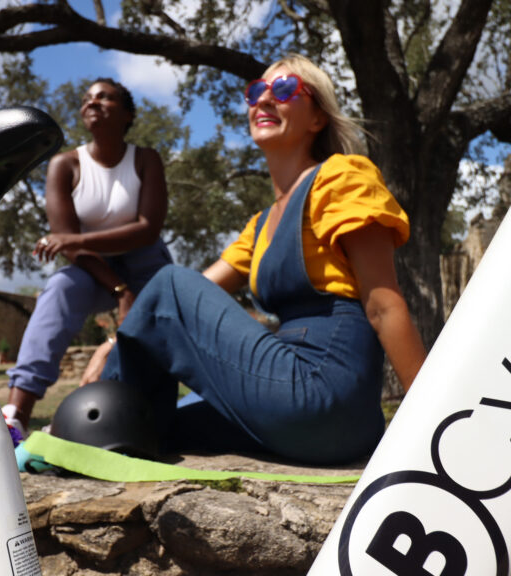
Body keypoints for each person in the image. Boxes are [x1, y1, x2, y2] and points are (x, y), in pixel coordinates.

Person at [80, 54, 427, 465]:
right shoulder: (261, 225)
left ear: (317, 119)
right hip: (288, 394)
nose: (263, 100)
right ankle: (114, 431)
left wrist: (432, 420)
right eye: (256, 92)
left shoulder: (341, 176)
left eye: (283, 90)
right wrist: (118, 339)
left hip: (325, 390)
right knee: (166, 426)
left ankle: (97, 424)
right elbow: (190, 303)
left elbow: (384, 305)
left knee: (167, 282)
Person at [2, 78, 172, 436]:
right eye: (87, 99)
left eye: (104, 97)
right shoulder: (65, 165)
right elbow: (73, 249)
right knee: (61, 288)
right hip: (92, 266)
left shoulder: (145, 160)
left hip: (145, 260)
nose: (92, 103)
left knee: (157, 320)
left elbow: (147, 229)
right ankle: (16, 411)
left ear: (127, 114)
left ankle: (139, 409)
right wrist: (119, 290)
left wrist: (71, 239)